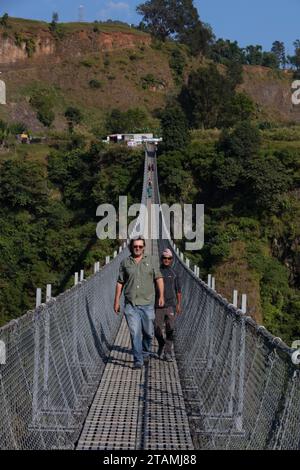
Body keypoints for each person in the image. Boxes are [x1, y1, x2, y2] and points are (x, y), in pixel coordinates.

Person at [114, 236, 164, 369]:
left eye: (140, 246)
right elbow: (120, 282)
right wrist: (116, 301)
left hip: (147, 304)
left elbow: (159, 278)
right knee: (134, 332)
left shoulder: (152, 260)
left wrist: (161, 296)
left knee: (148, 333)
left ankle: (146, 352)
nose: (137, 248)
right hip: (131, 305)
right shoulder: (125, 263)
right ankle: (138, 360)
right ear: (131, 247)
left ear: (144, 247)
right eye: (135, 246)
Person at [155, 248, 182, 362]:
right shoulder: (156, 272)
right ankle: (161, 343)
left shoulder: (174, 273)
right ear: (161, 259)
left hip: (170, 305)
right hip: (158, 306)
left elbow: (178, 291)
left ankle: (167, 353)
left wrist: (178, 304)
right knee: (156, 329)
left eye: (169, 258)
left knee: (170, 329)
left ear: (171, 260)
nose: (166, 260)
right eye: (165, 258)